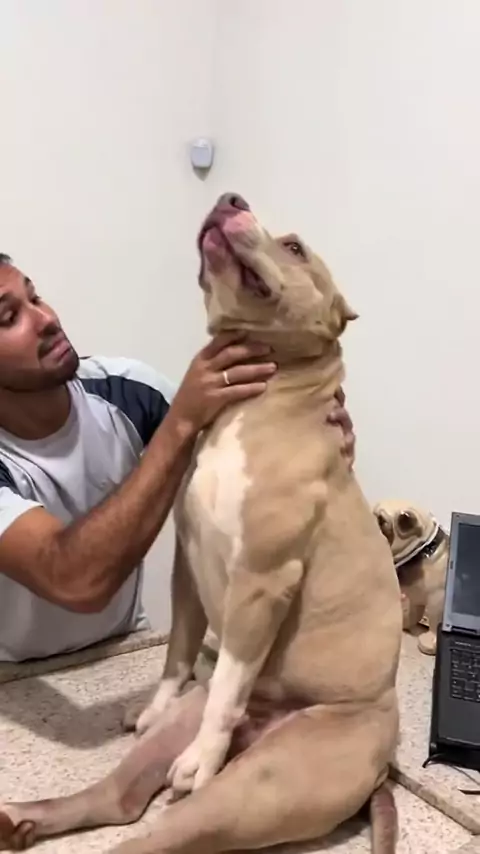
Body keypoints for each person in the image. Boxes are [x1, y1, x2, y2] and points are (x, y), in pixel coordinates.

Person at [0, 254, 355, 663]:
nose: (46, 319)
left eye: (35, 297)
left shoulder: (127, 388)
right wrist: (183, 421)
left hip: (125, 649)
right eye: (9, 318)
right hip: (17, 678)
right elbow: (74, 581)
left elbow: (253, 475)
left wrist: (320, 440)